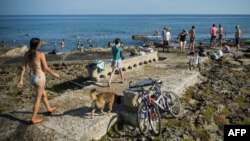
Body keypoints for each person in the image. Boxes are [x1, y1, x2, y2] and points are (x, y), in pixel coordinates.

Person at [17, 38, 59, 124]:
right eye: (40, 43)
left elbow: (23, 67)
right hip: (39, 78)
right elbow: (46, 68)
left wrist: (21, 80)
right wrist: (54, 74)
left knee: (43, 94)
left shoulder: (27, 54)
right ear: (37, 45)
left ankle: (49, 108)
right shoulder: (40, 54)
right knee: (38, 99)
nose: (41, 44)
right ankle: (33, 118)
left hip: (32, 78)